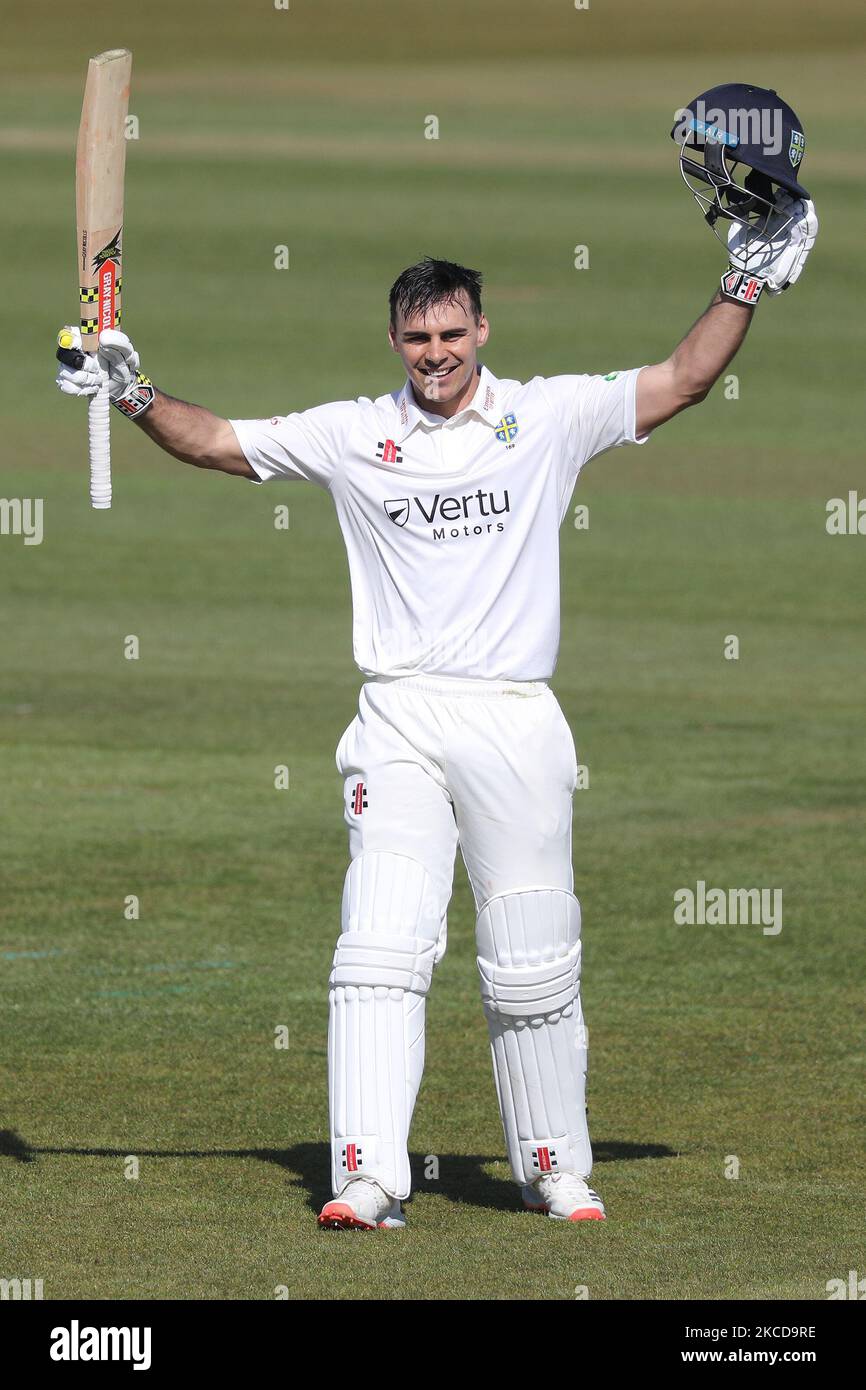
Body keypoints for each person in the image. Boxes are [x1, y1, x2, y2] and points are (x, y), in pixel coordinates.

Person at [56, 188, 816, 1230]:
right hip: (399, 716)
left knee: (531, 950)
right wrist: (130, 391)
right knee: (377, 944)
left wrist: (741, 283)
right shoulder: (353, 434)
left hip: (513, 713)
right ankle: (367, 1176)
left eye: (450, 332)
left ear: (480, 332)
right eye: (416, 336)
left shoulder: (545, 416)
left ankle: (553, 1167)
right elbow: (217, 442)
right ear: (393, 339)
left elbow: (682, 379)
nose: (434, 352)